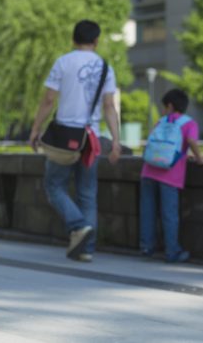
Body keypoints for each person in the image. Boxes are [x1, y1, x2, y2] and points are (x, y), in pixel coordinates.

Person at [29, 20, 121, 262]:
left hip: (64, 137)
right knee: (87, 193)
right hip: (91, 138)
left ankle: (78, 225)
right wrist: (117, 140)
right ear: (96, 40)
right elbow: (110, 106)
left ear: (74, 39)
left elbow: (49, 100)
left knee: (54, 186)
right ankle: (86, 249)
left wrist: (36, 129)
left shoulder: (64, 62)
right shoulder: (104, 67)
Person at [139, 88, 203, 263]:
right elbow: (190, 141)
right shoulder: (189, 123)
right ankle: (172, 251)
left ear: (170, 105)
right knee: (169, 214)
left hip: (148, 169)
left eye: (163, 107)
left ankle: (147, 247)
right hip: (170, 174)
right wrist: (199, 158)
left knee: (148, 211)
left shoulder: (160, 122)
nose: (162, 110)